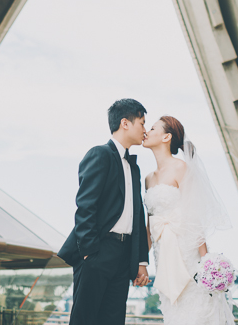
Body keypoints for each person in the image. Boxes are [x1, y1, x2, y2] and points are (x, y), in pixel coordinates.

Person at [58, 98, 150, 325]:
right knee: (85, 319)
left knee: (113, 319)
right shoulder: (99, 154)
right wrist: (89, 253)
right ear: (125, 123)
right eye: (142, 123)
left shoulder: (134, 168)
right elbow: (85, 206)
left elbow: (137, 217)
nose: (145, 130)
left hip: (124, 256)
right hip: (98, 251)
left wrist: (140, 261)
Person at [142, 116, 233, 324]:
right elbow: (150, 224)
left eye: (153, 128)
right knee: (173, 313)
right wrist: (142, 262)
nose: (147, 131)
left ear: (166, 136)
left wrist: (207, 263)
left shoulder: (181, 168)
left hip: (186, 254)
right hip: (162, 255)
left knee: (195, 312)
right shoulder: (147, 178)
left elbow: (194, 218)